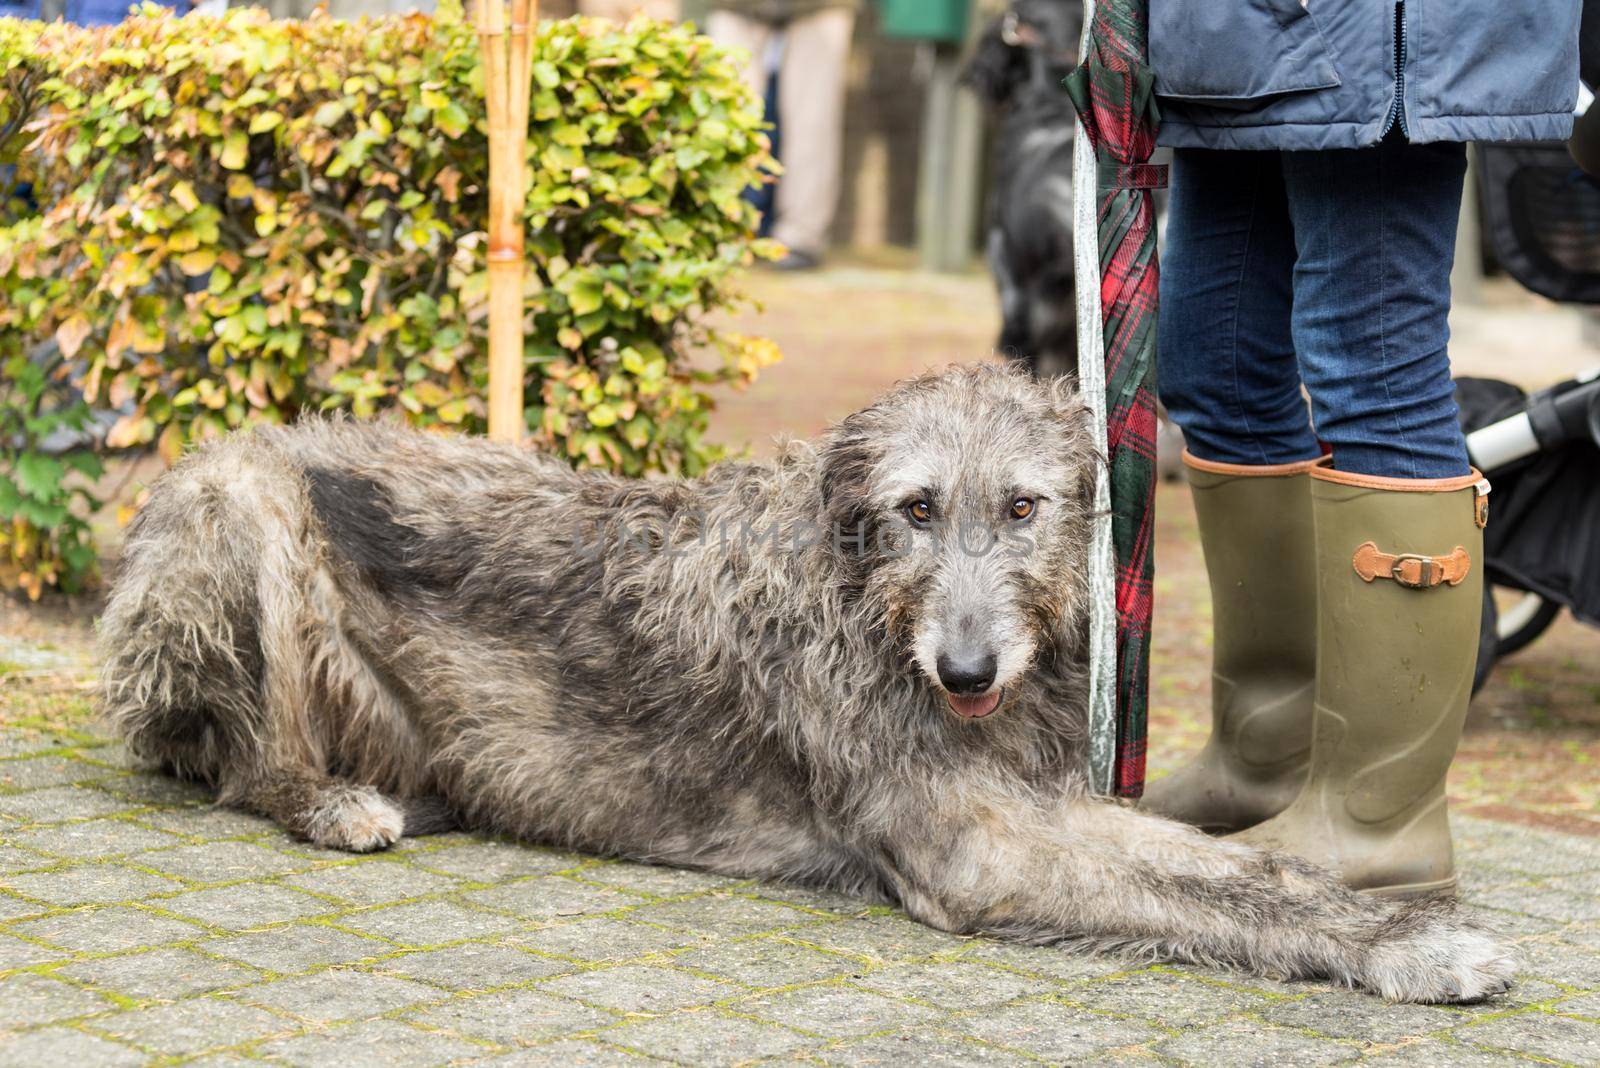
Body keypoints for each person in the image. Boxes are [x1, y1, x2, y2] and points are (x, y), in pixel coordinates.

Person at [1140, 1, 1582, 898]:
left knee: (1371, 366)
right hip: (1240, 38)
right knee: (1215, 370)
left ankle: (1381, 816)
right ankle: (1266, 752)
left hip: (1376, 32)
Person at [707, 0, 858, 270]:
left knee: (812, 120)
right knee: (725, 115)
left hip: (819, 8)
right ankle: (721, 228)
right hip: (733, 7)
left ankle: (801, 239)